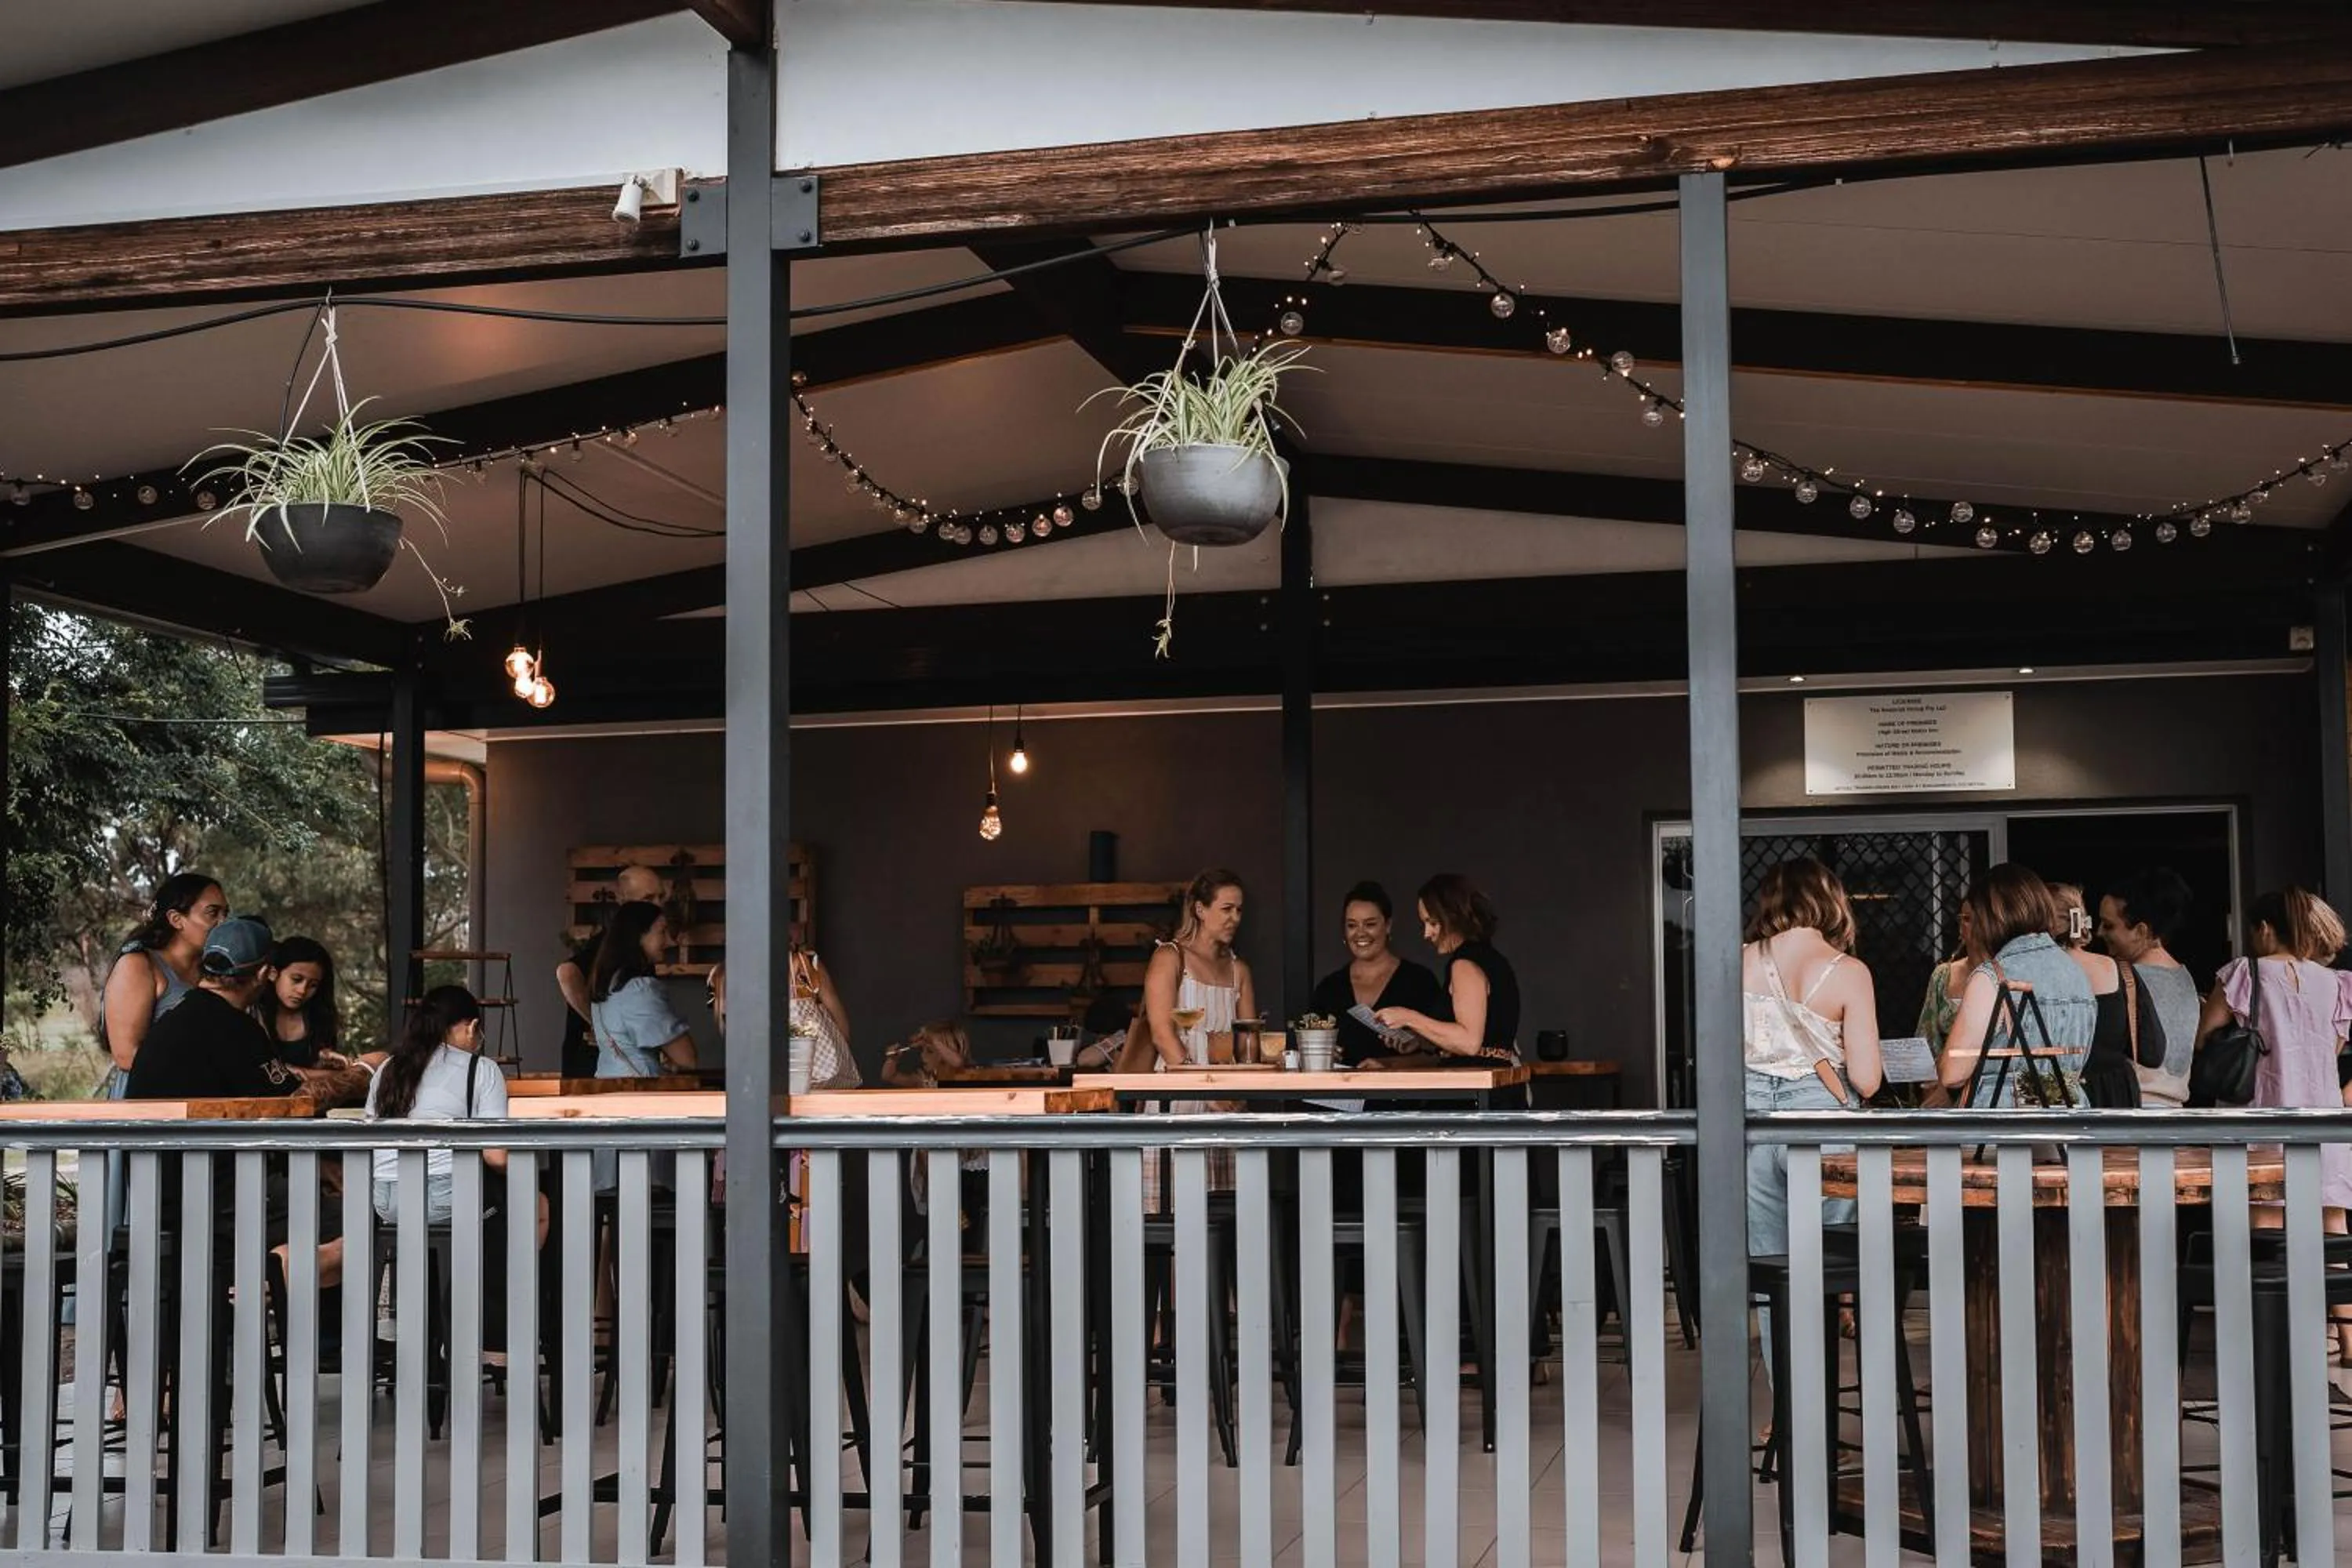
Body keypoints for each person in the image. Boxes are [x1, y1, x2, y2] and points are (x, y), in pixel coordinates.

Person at [124, 917, 343, 1284]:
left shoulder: (174, 1021)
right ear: (262, 975)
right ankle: (310, 1326)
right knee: (352, 1214)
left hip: (159, 1194)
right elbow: (294, 1104)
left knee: (314, 1198)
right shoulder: (237, 1028)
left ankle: (271, 1292)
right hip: (218, 1199)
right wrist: (361, 1076)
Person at [2196, 887, 2352, 1359]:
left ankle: (2270, 1337)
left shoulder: (2245, 974)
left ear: (2265, 929)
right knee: (2333, 1227)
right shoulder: (2338, 984)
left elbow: (2206, 1038)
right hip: (2324, 1119)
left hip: (2264, 1115)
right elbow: (2332, 1053)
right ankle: (2347, 1341)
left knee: (2266, 1221)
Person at [1737, 860, 1884, 1272]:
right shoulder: (1850, 971)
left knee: (1768, 1263)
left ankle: (1779, 1339)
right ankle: (1828, 1334)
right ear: (1831, 902)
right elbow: (1867, 1080)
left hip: (1752, 1119)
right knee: (1832, 1262)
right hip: (1823, 1117)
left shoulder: (1737, 961)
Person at [367, 985, 546, 1243]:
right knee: (537, 1205)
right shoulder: (481, 1069)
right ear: (472, 1026)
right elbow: (496, 1157)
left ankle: (442, 1281)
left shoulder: (388, 1068)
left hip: (387, 1201)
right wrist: (532, 1173)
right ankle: (504, 1283)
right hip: (446, 1197)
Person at [1937, 865, 2096, 1106]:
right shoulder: (2078, 973)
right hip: (2068, 1117)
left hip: (2004, 1121)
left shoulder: (1994, 975)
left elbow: (1953, 1073)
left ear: (1993, 916)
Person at [100, 872, 229, 1093]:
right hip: (148, 1106)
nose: (223, 923)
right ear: (176, 919)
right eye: (212, 913)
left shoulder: (215, 971)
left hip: (205, 1102)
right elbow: (126, 1055)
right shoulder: (139, 965)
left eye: (226, 914)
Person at [1373, 873, 1520, 1061]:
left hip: (1475, 1086)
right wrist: (1421, 1040)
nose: (1427, 934)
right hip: (1494, 1082)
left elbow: (1469, 1042)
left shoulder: (1465, 964)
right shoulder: (1493, 960)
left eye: (1432, 923)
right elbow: (1487, 1039)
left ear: (1453, 917)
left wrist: (1408, 1017)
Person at [1309, 881, 1446, 1067]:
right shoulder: (1330, 988)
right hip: (1342, 1094)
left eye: (1370, 924)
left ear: (1388, 925)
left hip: (1401, 1094)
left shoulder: (1419, 981)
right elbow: (1308, 1048)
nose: (1360, 933)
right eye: (1352, 925)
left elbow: (1440, 1055)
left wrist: (1390, 1064)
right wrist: (1323, 1055)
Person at [2097, 868, 2201, 1107]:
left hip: (2134, 1112)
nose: (2098, 932)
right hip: (2175, 1113)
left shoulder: (2124, 980)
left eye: (2109, 925)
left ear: (2141, 930)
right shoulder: (2184, 977)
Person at [556, 866, 666, 1078]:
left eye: (661, 897)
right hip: (590, 1071)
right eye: (649, 898)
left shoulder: (638, 951)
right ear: (623, 902)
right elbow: (567, 973)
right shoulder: (611, 945)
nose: (658, 905)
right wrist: (601, 1027)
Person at [1141, 869, 1256, 1069]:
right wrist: (1200, 1086)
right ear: (1200, 910)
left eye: (1239, 910)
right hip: (1177, 1092)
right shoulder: (1170, 957)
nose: (1235, 918)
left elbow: (1249, 1042)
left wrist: (1237, 1092)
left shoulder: (1239, 971)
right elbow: (1162, 1035)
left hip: (1226, 1091)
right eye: (1227, 909)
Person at [2066, 899, 2165, 1110]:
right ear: (2083, 924)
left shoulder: (2027, 973)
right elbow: (2152, 1052)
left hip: (2058, 1091)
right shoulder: (2122, 972)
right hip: (2115, 1094)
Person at [588, 902, 698, 1077]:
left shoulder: (607, 984)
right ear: (639, 935)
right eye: (662, 931)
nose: (669, 941)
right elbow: (687, 1058)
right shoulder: (639, 991)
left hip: (606, 1087)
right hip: (639, 1093)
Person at [1914, 903, 1981, 1052]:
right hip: (1947, 1069)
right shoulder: (1944, 975)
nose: (1977, 926)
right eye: (1967, 918)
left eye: (1983, 919)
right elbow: (1928, 1037)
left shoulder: (2009, 971)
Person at [882, 1021, 974, 1087]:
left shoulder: (964, 1077)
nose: (923, 1055)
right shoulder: (925, 1080)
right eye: (923, 1050)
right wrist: (892, 1060)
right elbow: (889, 1076)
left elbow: (957, 1062)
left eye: (930, 1051)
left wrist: (934, 1040)